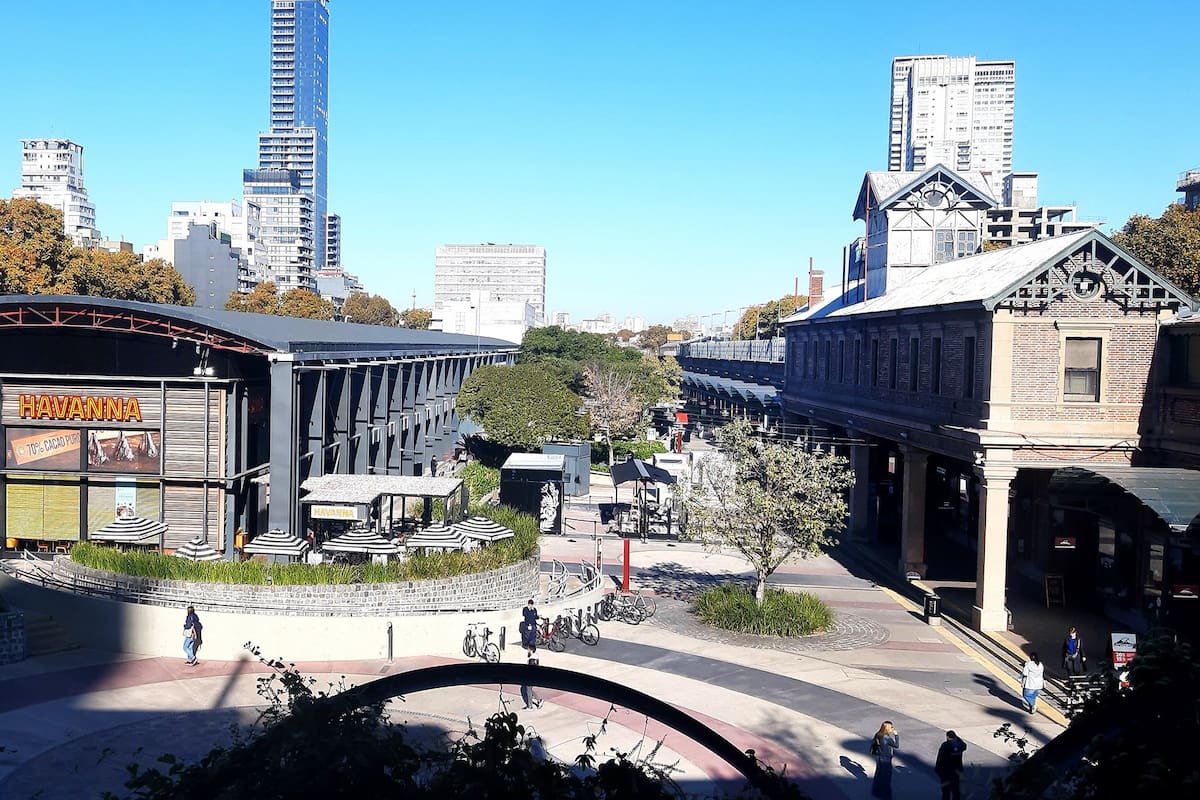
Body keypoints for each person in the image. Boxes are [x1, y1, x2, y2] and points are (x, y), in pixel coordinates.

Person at [870, 720, 899, 799]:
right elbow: (896, 745)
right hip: (886, 758)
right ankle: (886, 796)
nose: (892, 729)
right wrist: (896, 735)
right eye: (891, 727)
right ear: (887, 728)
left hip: (878, 756)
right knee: (886, 778)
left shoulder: (878, 734)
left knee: (878, 775)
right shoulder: (887, 738)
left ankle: (876, 792)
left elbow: (873, 743)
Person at [935, 730, 967, 800]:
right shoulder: (960, 745)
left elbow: (940, 757)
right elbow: (964, 745)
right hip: (956, 771)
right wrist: (956, 738)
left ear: (947, 737)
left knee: (946, 791)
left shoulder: (945, 745)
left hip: (946, 771)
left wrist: (937, 768)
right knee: (955, 790)